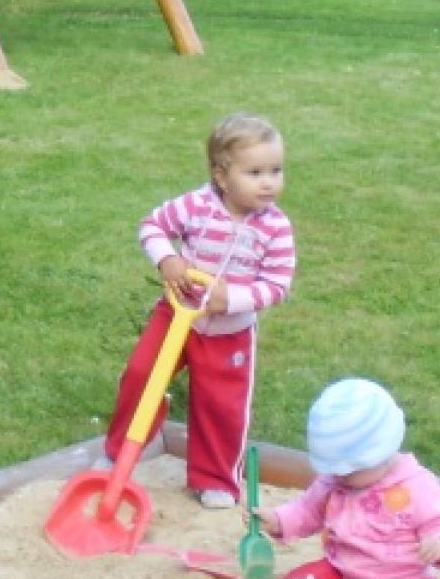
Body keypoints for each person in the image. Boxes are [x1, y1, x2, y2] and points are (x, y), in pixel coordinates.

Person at [99, 112, 295, 507]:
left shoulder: (275, 228)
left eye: (276, 170)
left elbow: (277, 285)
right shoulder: (196, 205)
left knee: (221, 405)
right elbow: (152, 226)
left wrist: (231, 300)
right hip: (176, 316)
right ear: (222, 176)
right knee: (141, 375)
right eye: (254, 172)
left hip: (229, 332)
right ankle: (119, 453)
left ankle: (215, 478)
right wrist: (168, 260)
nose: (269, 182)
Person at [257, 378, 440, 579]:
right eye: (334, 469)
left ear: (381, 453)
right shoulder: (333, 481)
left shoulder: (416, 485)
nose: (339, 476)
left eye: (348, 471)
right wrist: (278, 520)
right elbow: (307, 510)